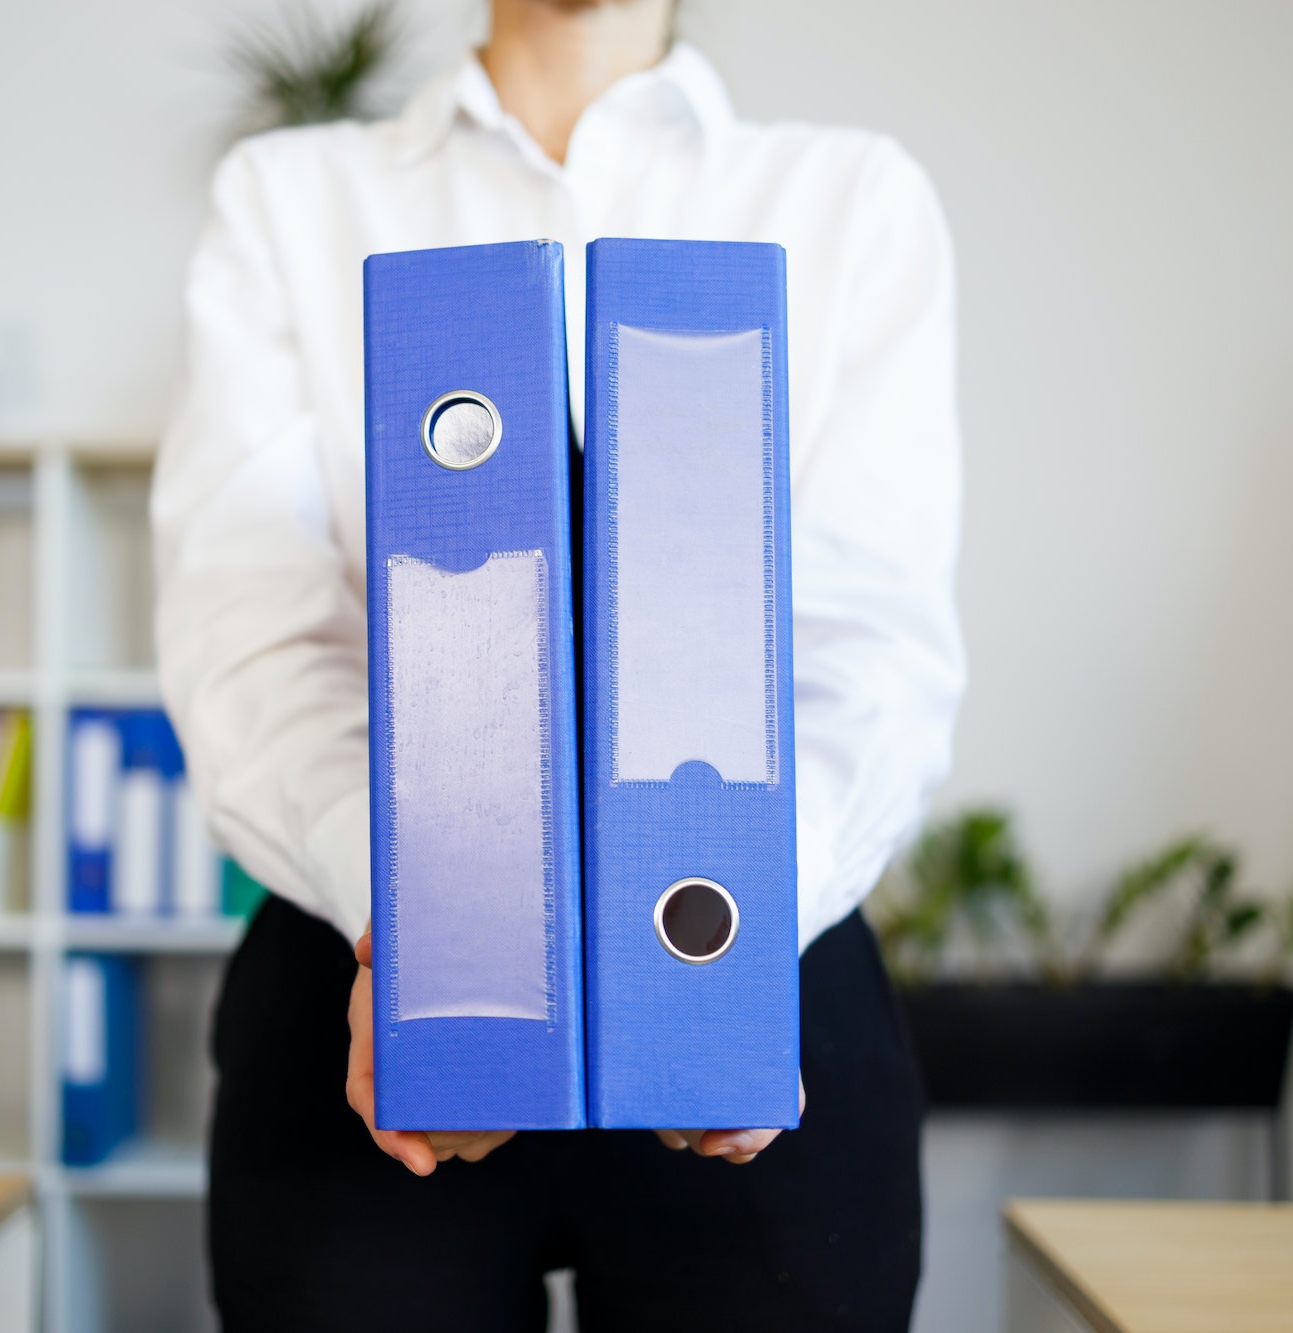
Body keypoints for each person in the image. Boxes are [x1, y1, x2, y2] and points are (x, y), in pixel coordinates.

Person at [153, 0, 964, 1326]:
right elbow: (252, 634)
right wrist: (423, 940)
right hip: (373, 975)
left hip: (748, 966)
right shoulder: (290, 196)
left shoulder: (847, 198)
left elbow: (871, 647)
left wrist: (725, 950)